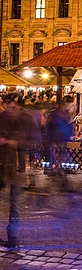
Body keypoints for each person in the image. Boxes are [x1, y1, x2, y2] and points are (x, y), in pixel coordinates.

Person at [0, 93, 26, 248]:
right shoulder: (4, 117)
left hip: (16, 166)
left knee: (15, 203)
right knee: (14, 203)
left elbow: (28, 139)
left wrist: (12, 142)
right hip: (6, 165)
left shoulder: (22, 118)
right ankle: (12, 236)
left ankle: (13, 236)